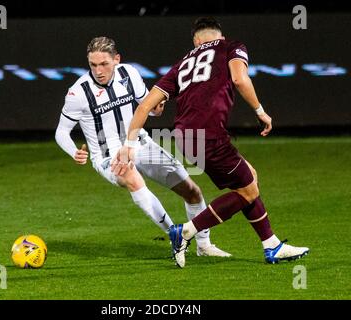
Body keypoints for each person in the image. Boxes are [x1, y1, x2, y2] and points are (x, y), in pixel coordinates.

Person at [112, 17, 309, 267]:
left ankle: (271, 245)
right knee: (248, 191)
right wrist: (260, 111)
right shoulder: (230, 46)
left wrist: (129, 144)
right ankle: (185, 231)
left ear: (196, 40)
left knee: (249, 177)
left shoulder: (182, 63)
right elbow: (239, 79)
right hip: (209, 135)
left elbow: (145, 106)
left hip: (186, 137)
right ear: (220, 36)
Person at [55, 36, 231, 257]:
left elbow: (147, 106)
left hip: (140, 143)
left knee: (192, 191)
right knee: (130, 177)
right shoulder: (77, 93)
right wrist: (74, 151)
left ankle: (204, 246)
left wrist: (156, 109)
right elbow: (61, 132)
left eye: (104, 64)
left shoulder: (129, 73)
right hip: (108, 156)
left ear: (116, 59)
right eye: (93, 65)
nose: (98, 71)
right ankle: (175, 235)